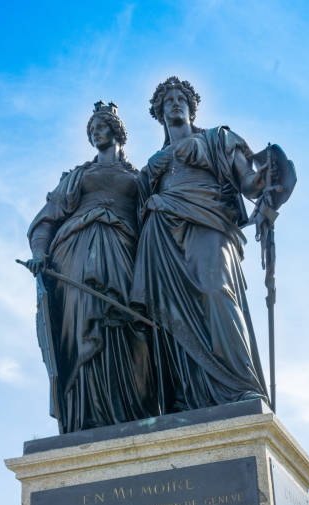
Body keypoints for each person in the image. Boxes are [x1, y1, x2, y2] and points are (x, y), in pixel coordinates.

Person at [131, 77, 270, 413]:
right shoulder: (154, 161)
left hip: (208, 221)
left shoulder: (217, 138)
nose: (175, 103)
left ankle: (240, 385)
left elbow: (249, 182)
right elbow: (136, 205)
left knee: (216, 292)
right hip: (162, 232)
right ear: (160, 112)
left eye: (181, 98)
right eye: (168, 101)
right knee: (171, 314)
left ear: (192, 107)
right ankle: (188, 396)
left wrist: (271, 177)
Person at [26, 102, 157, 432]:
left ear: (117, 131)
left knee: (128, 327)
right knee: (83, 325)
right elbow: (47, 219)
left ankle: (131, 413)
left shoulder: (140, 178)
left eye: (101, 126)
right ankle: (86, 416)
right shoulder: (78, 176)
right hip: (77, 256)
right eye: (92, 129)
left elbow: (157, 225)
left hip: (125, 255)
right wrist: (40, 253)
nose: (96, 132)